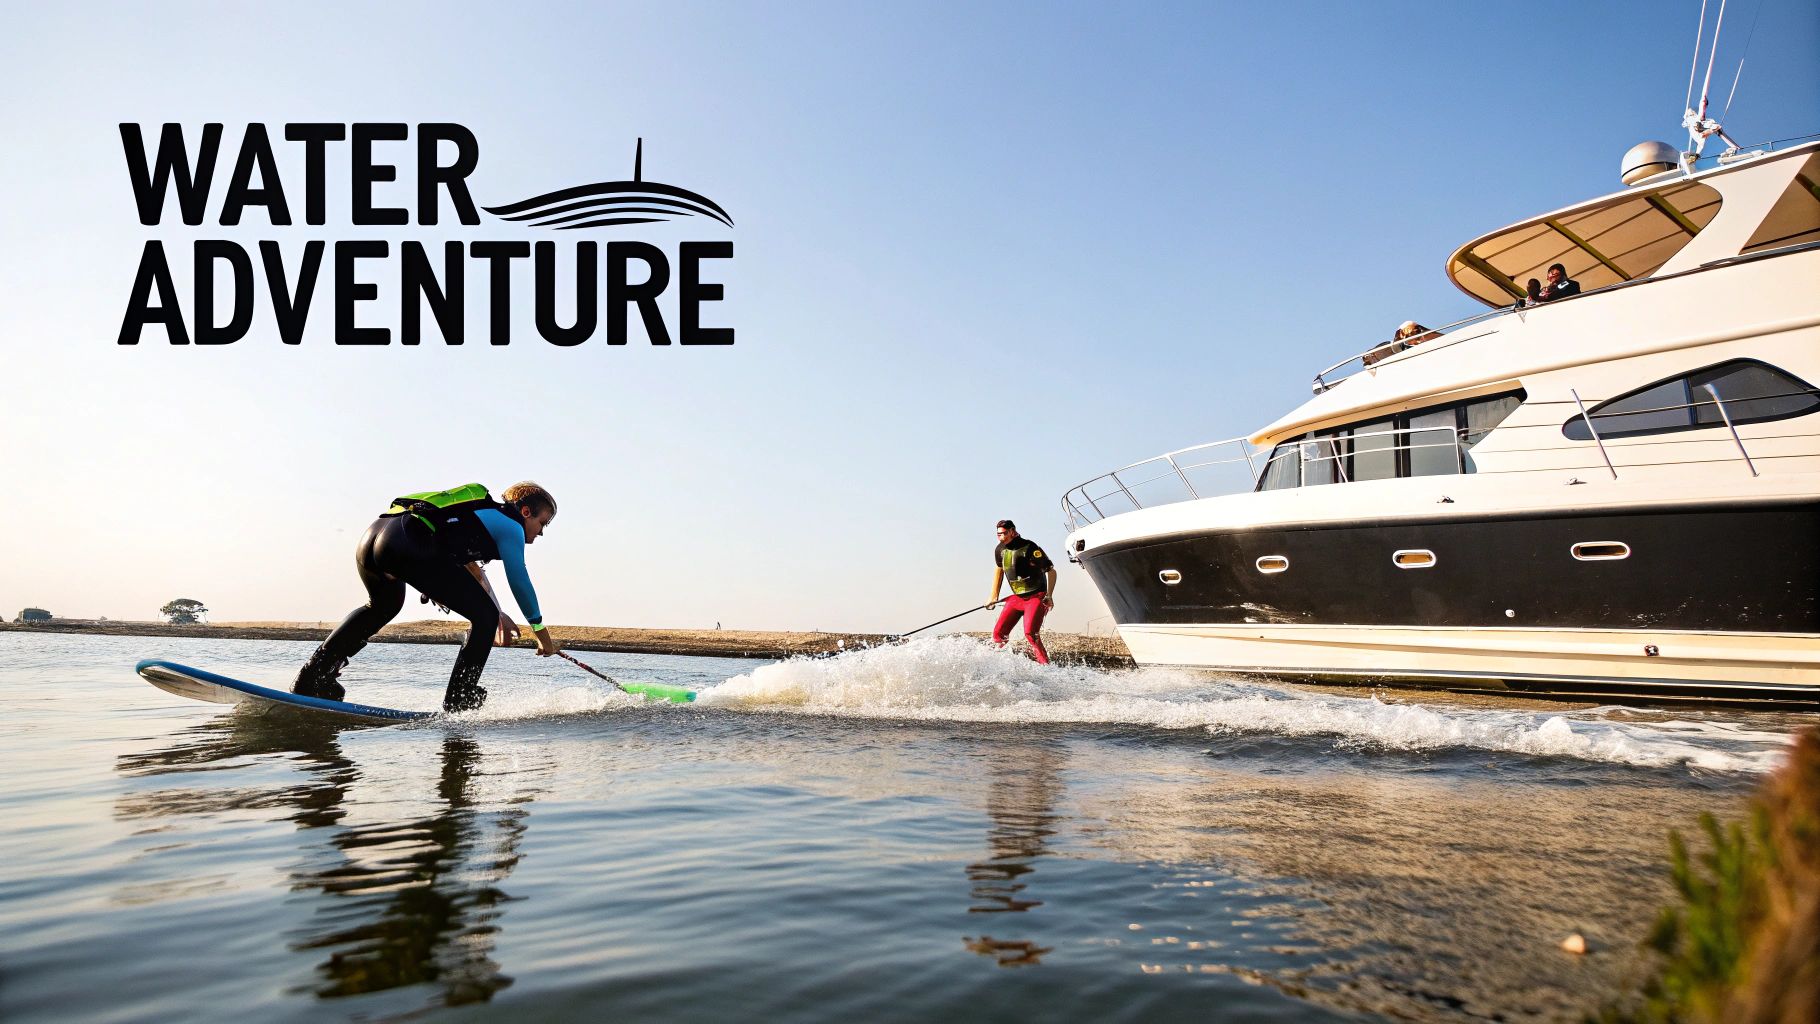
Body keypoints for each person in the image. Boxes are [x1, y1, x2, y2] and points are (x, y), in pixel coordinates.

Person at [292, 481, 561, 712]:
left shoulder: (477, 516)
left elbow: (472, 573)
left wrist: (497, 613)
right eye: (542, 523)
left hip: (377, 535)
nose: (541, 532)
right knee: (484, 616)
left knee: (382, 606)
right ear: (525, 512)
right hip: (410, 541)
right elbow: (519, 579)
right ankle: (459, 700)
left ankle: (313, 676)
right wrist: (541, 634)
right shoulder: (511, 526)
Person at [987, 519, 1056, 665]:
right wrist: (993, 595)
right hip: (1017, 599)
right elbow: (999, 568)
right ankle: (997, 664)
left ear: (1012, 531)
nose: (1001, 537)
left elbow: (1051, 571)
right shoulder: (999, 550)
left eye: (1004, 534)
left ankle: (1046, 667)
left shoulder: (1030, 547)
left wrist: (1049, 595)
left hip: (1036, 597)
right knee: (998, 635)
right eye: (998, 534)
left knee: (1030, 633)